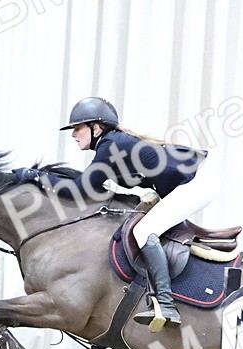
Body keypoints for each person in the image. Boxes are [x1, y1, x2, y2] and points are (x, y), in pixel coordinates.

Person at [58, 96, 219, 330]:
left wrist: (35, 178)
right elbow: (89, 183)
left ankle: (166, 304)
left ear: (96, 128)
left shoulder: (109, 145)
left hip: (198, 181)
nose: (73, 134)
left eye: (77, 128)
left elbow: (79, 189)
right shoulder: (112, 143)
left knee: (144, 231)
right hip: (193, 178)